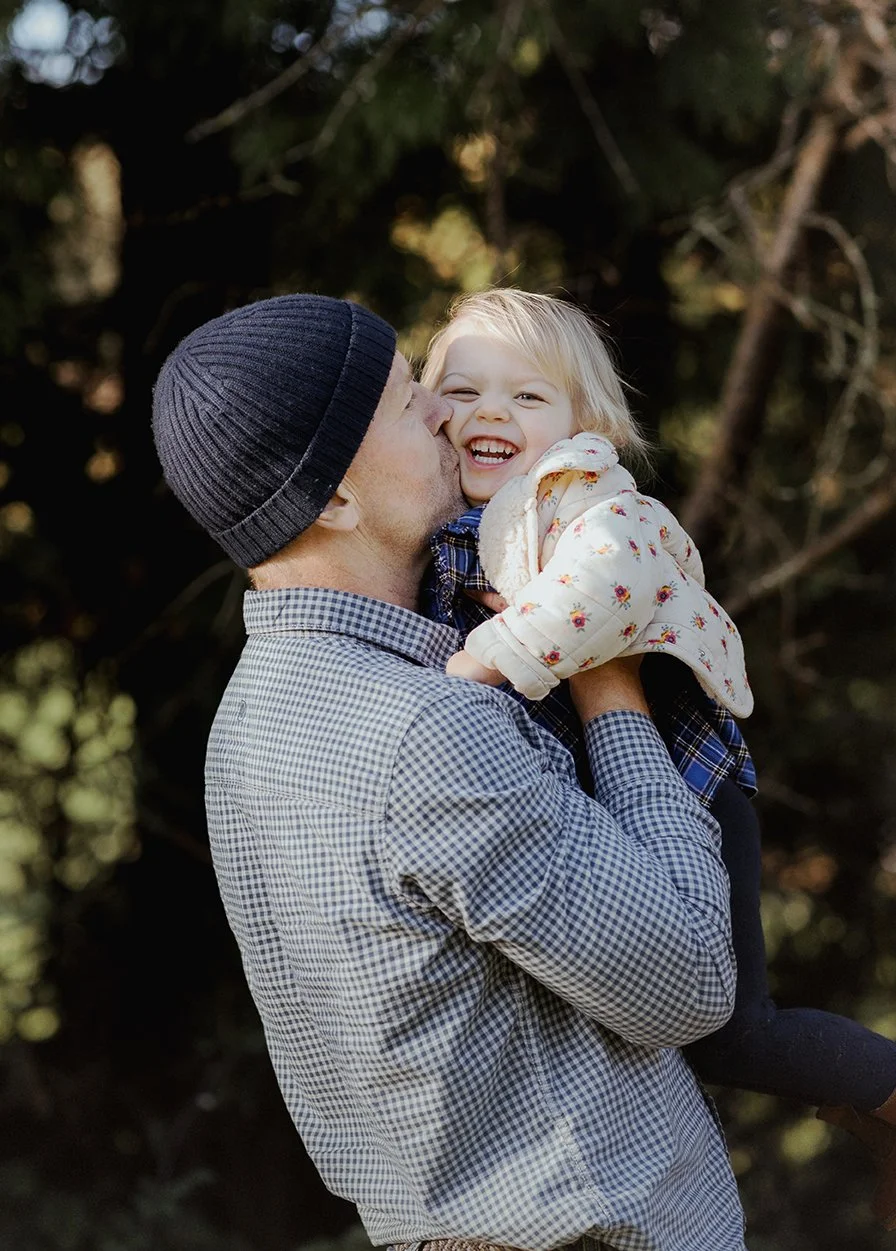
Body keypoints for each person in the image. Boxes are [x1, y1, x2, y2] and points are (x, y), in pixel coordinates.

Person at [151, 293, 750, 1251]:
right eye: (405, 402)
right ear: (337, 499)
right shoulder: (428, 728)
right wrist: (610, 687)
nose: (445, 411)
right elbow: (688, 975)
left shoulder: (245, 727)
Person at [418, 287, 896, 1245]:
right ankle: (894, 1108)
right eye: (462, 389)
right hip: (619, 793)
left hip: (689, 782)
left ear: (587, 428)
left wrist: (489, 661)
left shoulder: (583, 496)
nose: (491, 413)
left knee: (728, 1021)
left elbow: (610, 582)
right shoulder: (460, 515)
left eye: (528, 398)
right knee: (681, 1025)